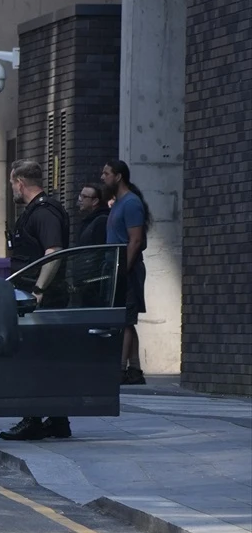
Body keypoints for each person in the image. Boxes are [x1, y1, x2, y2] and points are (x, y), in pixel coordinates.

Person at [0, 160, 72, 441]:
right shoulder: (35, 212)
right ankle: (57, 420)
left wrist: (39, 290)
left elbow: (53, 251)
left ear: (19, 182)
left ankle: (32, 419)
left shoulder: (44, 213)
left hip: (41, 300)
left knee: (33, 360)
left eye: (12, 184)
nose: (12, 190)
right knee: (47, 360)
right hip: (32, 297)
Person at [101, 159, 150, 386]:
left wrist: (123, 270)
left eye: (107, 173)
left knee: (124, 320)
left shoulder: (131, 203)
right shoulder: (118, 203)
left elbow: (135, 240)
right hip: (116, 267)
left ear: (118, 176)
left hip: (126, 269)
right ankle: (135, 369)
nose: (103, 177)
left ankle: (120, 369)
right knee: (127, 321)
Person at [75, 181, 109, 247]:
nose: (80, 199)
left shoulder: (102, 221)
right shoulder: (88, 219)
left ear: (95, 201)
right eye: (80, 195)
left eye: (84, 196)